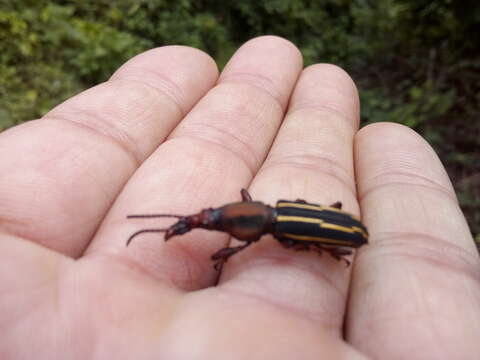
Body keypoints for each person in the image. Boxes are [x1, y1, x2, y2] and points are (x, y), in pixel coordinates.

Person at [0, 36, 478, 359]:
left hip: (333, 231)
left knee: (297, 238)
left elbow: (245, 231)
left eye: (216, 221)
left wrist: (327, 246)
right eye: (215, 220)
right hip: (302, 220)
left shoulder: (269, 229)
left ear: (238, 225)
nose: (209, 220)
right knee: (288, 231)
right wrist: (206, 224)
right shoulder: (261, 216)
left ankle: (328, 243)